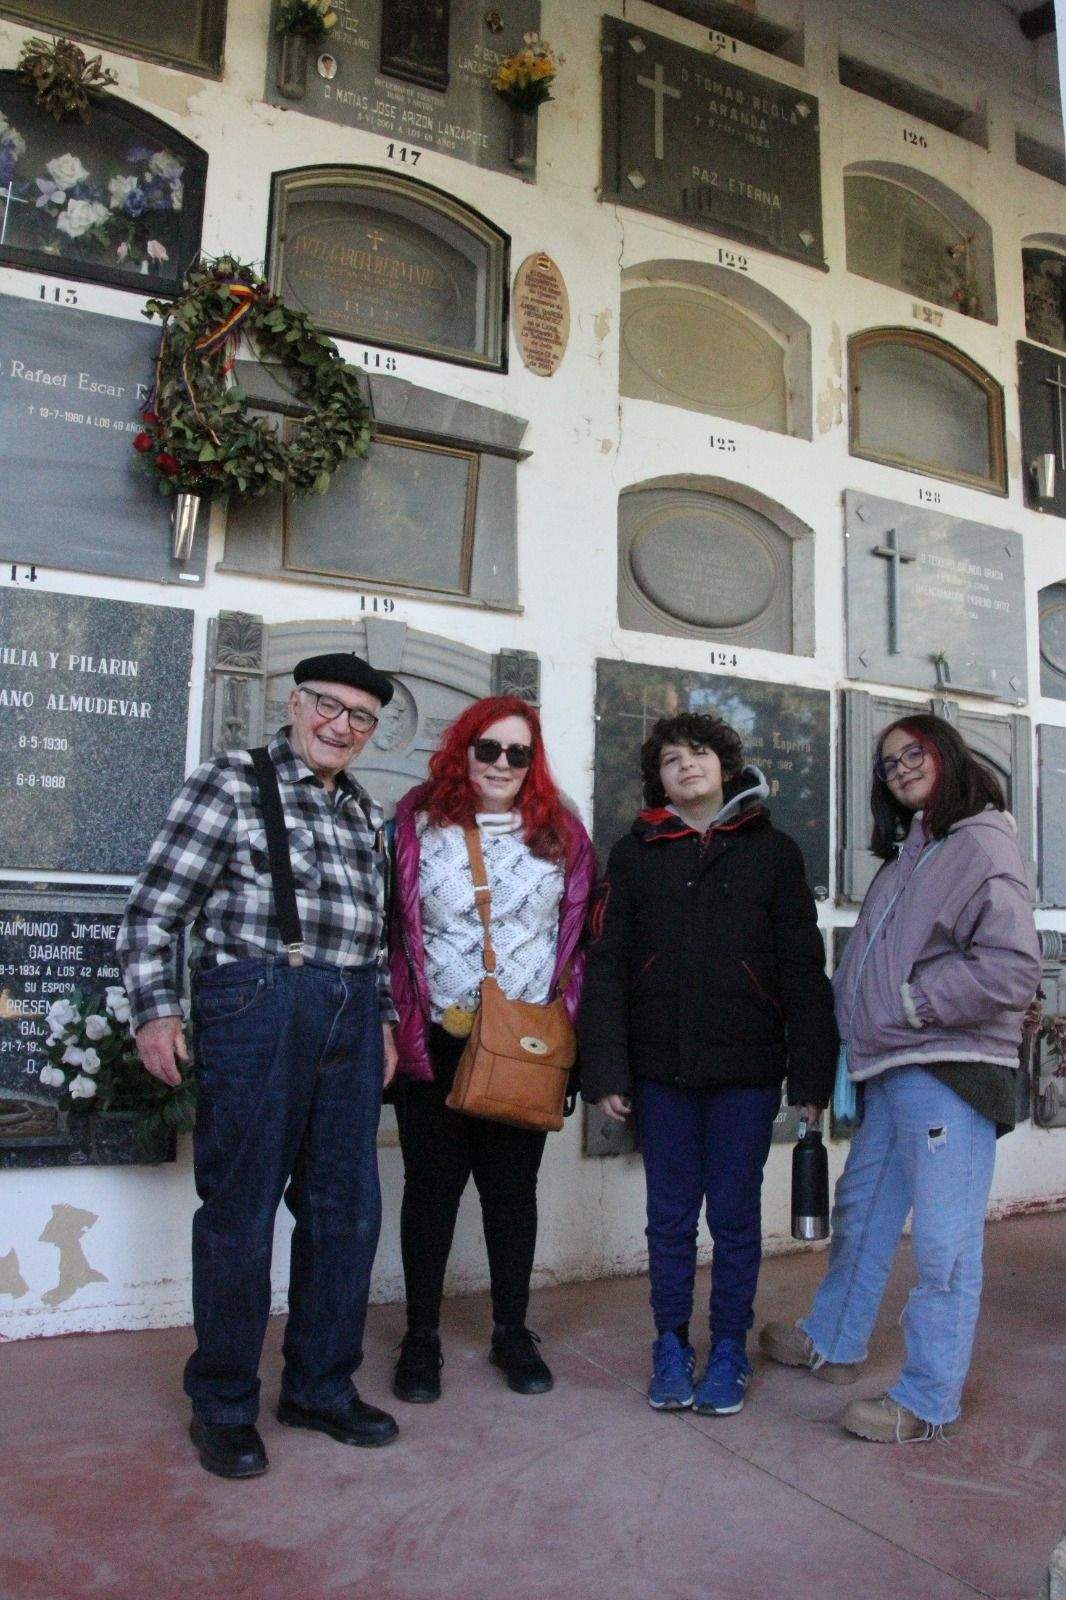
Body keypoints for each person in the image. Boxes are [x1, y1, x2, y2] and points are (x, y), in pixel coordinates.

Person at [117, 653, 400, 1479]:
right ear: (295, 702)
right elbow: (154, 911)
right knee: (240, 1214)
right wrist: (157, 1011)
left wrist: (383, 1019)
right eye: (328, 706)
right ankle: (224, 1405)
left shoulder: (364, 811)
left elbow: (376, 935)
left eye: (360, 717)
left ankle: (318, 1387)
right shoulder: (232, 782)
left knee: (346, 1212)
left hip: (351, 1010)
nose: (341, 726)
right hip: (257, 1003)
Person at [760, 714, 1041, 1442]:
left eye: (914, 752)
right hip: (891, 1065)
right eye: (888, 763)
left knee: (945, 1245)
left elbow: (1012, 967)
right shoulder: (910, 856)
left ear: (948, 755)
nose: (901, 768)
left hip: (949, 1066)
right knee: (862, 1211)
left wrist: (915, 1003)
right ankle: (835, 1341)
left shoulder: (981, 843)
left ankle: (928, 1400)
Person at [578, 712, 837, 1416]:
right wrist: (606, 1070)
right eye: (670, 759)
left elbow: (802, 969)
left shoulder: (774, 852)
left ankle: (728, 1347)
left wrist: (811, 1075)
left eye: (698, 753)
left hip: (746, 1076)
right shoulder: (636, 853)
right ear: (658, 779)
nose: (686, 765)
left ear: (725, 765)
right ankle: (670, 1343)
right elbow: (607, 965)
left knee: (734, 1218)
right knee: (668, 1220)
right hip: (660, 1073)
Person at [388, 695, 595, 1403]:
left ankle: (511, 1331)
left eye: (518, 753)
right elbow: (391, 932)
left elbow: (580, 939)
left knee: (511, 1193)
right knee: (431, 1190)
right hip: (439, 1040)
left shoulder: (560, 834)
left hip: (525, 1046)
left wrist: (575, 1035)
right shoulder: (417, 827)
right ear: (463, 751)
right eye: (488, 748)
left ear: (533, 763)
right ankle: (421, 1337)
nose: (502, 764)